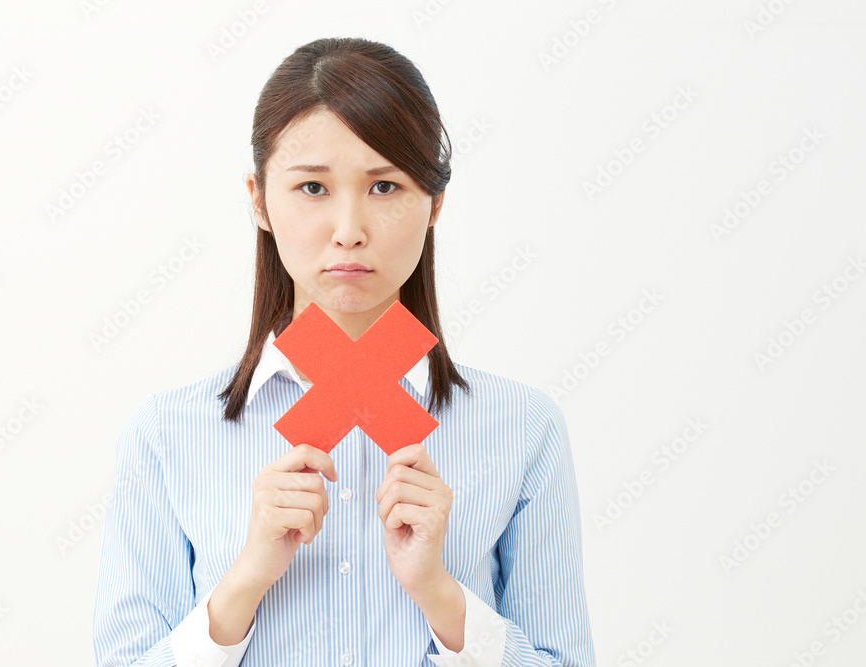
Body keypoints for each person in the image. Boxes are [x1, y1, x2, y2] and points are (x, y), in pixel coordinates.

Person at [93, 36, 596, 667]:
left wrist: (440, 595)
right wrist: (245, 580)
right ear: (259, 199)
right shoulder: (166, 434)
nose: (350, 230)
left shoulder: (522, 427)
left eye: (384, 186)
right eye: (312, 187)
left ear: (435, 204)